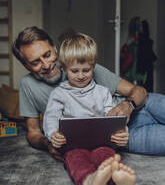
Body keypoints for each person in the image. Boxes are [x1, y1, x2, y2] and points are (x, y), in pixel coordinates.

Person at [12, 26, 165, 157]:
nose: (46, 65)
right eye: (35, 62)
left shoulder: (84, 65)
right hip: (119, 137)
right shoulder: (28, 85)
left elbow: (139, 92)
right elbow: (33, 133)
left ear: (54, 48)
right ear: (26, 65)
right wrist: (50, 143)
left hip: (142, 107)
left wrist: (129, 105)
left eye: (47, 55)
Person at [43, 32, 136, 185]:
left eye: (86, 70)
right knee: (76, 161)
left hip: (102, 144)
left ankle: (118, 181)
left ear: (93, 66)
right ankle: (89, 182)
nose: (81, 75)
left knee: (108, 159)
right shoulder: (59, 94)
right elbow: (50, 118)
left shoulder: (102, 92)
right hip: (73, 146)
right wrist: (53, 135)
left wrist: (122, 132)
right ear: (63, 68)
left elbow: (114, 118)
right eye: (74, 71)